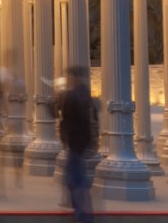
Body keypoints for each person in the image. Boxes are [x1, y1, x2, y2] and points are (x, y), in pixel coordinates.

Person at [57, 65, 95, 223]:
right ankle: (80, 211)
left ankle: (83, 214)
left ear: (74, 77)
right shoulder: (85, 93)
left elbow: (64, 118)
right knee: (76, 177)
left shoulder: (72, 95)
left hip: (75, 142)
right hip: (82, 142)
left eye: (69, 76)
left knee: (75, 179)